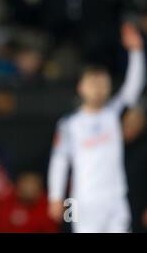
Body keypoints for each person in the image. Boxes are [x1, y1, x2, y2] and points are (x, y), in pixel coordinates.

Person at [47, 22, 146, 233]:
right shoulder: (69, 125)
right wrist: (55, 197)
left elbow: (134, 87)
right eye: (93, 83)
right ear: (80, 87)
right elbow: (60, 160)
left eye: (103, 83)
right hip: (83, 201)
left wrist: (136, 51)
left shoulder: (113, 114)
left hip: (116, 199)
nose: (99, 88)